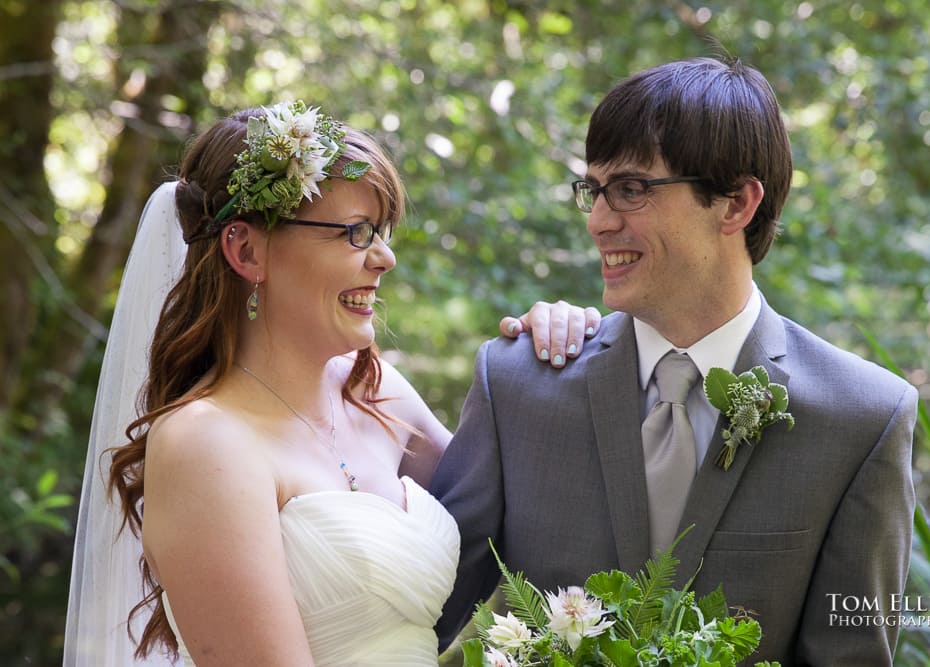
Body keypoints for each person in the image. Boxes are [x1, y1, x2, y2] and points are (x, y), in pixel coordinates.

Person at [62, 101, 598, 666]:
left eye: (382, 232)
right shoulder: (205, 443)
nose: (385, 258)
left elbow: (523, 497)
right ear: (245, 250)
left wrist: (551, 345)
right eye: (354, 233)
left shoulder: (378, 393)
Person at [431, 55, 918, 665]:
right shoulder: (516, 384)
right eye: (595, 191)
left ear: (736, 204)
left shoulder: (864, 417)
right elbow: (425, 615)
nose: (600, 222)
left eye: (631, 190)